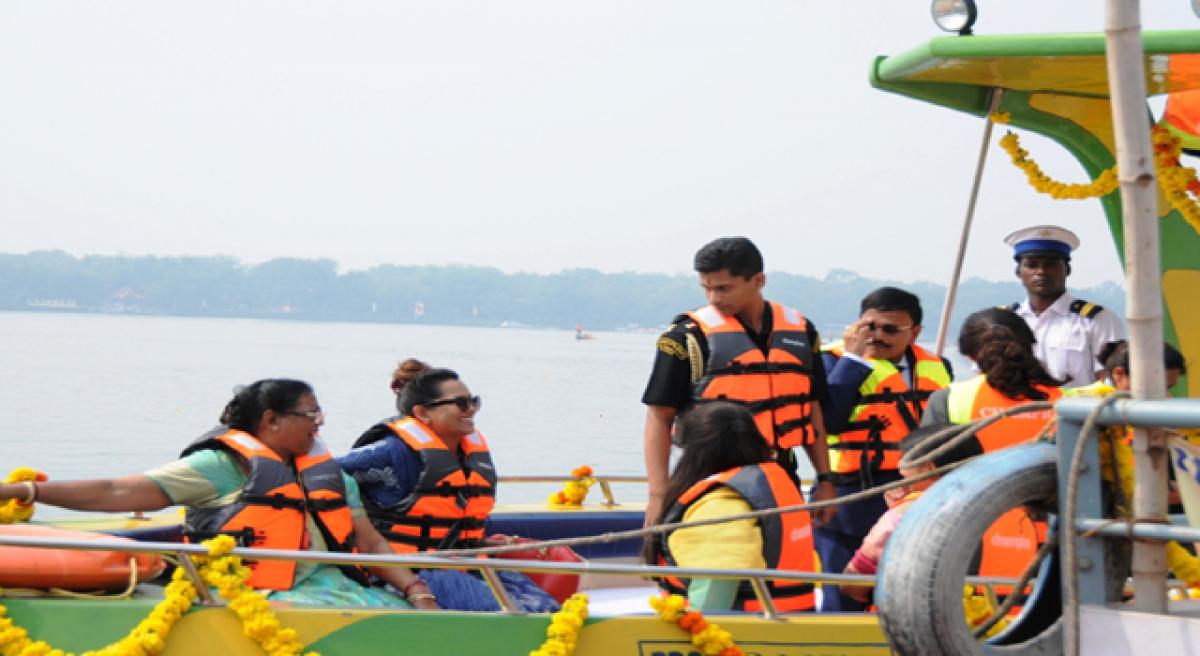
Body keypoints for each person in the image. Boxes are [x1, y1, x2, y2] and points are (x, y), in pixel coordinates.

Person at [0, 379, 439, 609]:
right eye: (310, 414)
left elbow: (370, 542)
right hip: (249, 595)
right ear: (271, 420)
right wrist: (25, 489)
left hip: (338, 589)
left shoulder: (330, 476)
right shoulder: (221, 467)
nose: (319, 422)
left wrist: (417, 590)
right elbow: (117, 490)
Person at [641, 236, 835, 525]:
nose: (714, 298)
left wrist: (825, 480)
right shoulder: (687, 337)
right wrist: (658, 496)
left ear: (758, 280)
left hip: (779, 472)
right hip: (707, 473)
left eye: (723, 288)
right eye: (706, 288)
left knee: (785, 559)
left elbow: (811, 408)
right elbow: (659, 416)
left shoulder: (802, 332)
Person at [338, 367, 558, 612]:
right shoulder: (391, 453)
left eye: (474, 401)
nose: (471, 409)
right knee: (516, 614)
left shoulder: (470, 454)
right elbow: (325, 475)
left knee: (545, 608)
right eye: (461, 403)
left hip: (468, 564)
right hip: (413, 569)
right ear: (422, 413)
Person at [815, 286, 953, 611]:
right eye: (870, 327)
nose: (877, 336)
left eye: (890, 329)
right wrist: (852, 359)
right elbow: (829, 421)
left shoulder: (938, 366)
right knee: (840, 602)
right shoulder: (831, 361)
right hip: (849, 500)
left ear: (915, 333)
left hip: (913, 500)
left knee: (905, 602)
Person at [644, 402, 816, 612]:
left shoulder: (722, 505)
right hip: (788, 626)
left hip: (738, 635)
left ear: (696, 452)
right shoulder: (773, 480)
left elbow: (712, 602)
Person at [842, 423, 983, 603]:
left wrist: (897, 511)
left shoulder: (900, 518)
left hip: (915, 623)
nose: (899, 468)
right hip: (996, 619)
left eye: (905, 460)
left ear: (928, 468)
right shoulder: (1004, 506)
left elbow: (851, 585)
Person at [922, 307, 1065, 452]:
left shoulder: (947, 400)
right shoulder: (1071, 401)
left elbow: (926, 466)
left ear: (970, 356)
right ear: (1029, 347)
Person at [1003, 225, 1125, 387]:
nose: (1041, 271)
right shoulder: (1005, 321)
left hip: (1075, 411)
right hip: (1015, 411)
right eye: (1032, 265)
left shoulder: (1097, 319)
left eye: (1050, 264)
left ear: (1067, 270)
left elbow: (1110, 380)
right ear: (1018, 272)